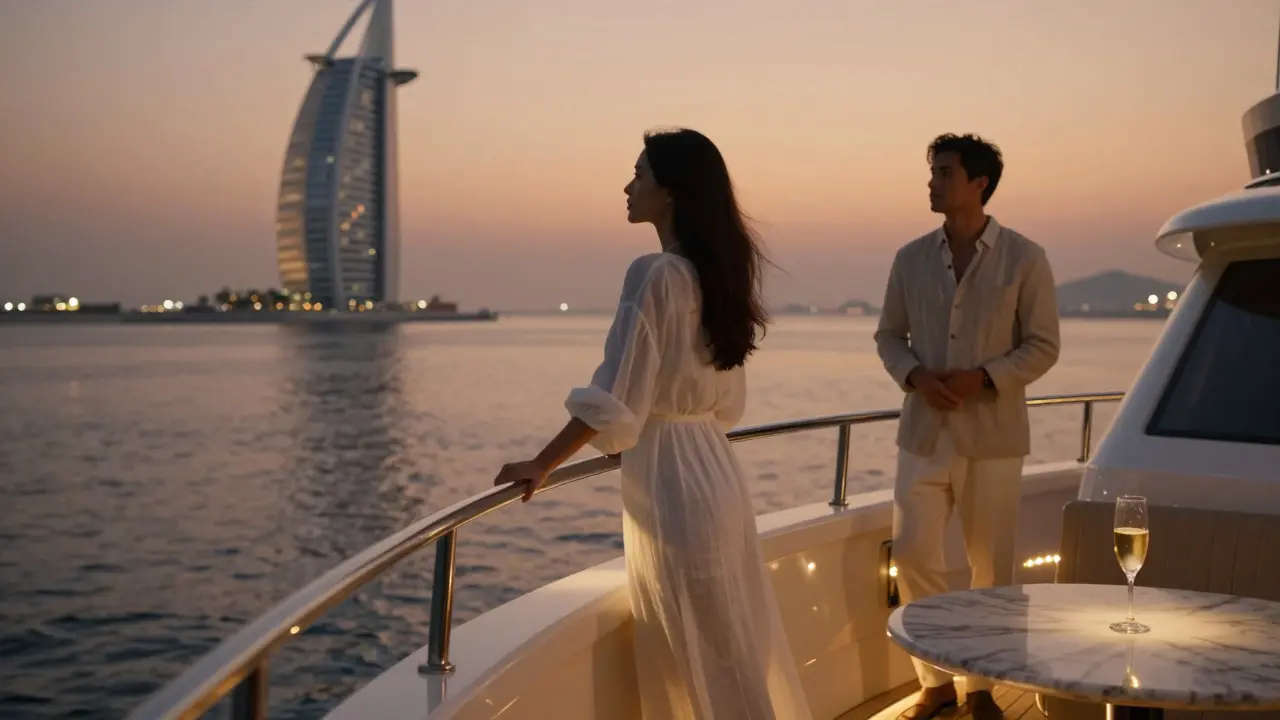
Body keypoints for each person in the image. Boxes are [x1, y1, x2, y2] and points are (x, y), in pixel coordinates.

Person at [493, 128, 812, 720]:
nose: (627, 186)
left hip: (673, 477)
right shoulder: (714, 274)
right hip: (713, 464)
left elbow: (616, 393)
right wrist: (642, 430)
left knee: (699, 644)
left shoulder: (656, 273)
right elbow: (724, 402)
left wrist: (543, 462)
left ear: (670, 190)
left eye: (639, 175)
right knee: (730, 640)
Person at [874, 133, 1061, 720]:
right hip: (923, 435)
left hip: (993, 439)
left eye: (945, 172)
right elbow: (888, 335)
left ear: (980, 183)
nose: (932, 182)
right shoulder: (910, 258)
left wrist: (983, 377)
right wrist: (914, 375)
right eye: (932, 171)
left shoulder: (1025, 258)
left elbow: (1044, 345)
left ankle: (981, 687)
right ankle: (935, 682)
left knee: (992, 569)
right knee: (911, 555)